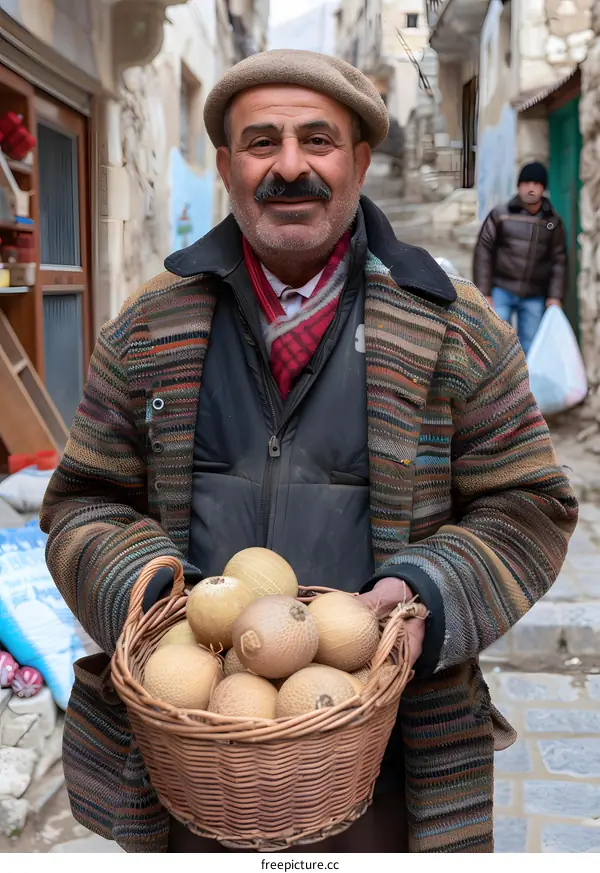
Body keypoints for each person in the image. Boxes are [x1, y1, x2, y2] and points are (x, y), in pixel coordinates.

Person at [40, 51, 577, 854]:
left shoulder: (455, 327)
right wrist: (154, 597)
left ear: (359, 160)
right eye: (262, 142)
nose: (290, 167)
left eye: (318, 140)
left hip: (394, 762)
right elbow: (83, 499)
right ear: (225, 165)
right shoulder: (150, 324)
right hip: (193, 758)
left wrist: (414, 596)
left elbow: (530, 508)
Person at [473, 161, 567, 356]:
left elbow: (559, 260)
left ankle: (524, 386)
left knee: (531, 348)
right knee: (495, 343)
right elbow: (483, 252)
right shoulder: (501, 215)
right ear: (519, 186)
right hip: (501, 290)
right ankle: (496, 385)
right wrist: (484, 292)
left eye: (536, 183)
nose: (531, 188)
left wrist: (555, 296)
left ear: (543, 188)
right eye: (526, 183)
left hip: (534, 295)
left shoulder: (552, 222)